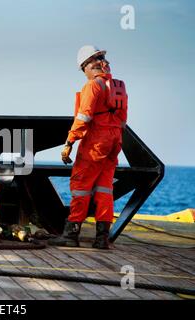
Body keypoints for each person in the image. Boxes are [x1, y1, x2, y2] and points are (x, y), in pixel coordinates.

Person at [48, 45, 128, 249]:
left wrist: (69, 143)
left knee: (81, 187)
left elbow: (84, 117)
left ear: (88, 66)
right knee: (104, 190)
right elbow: (122, 120)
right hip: (114, 142)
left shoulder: (93, 86)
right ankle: (102, 238)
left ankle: (71, 234)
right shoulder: (119, 86)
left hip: (95, 143)